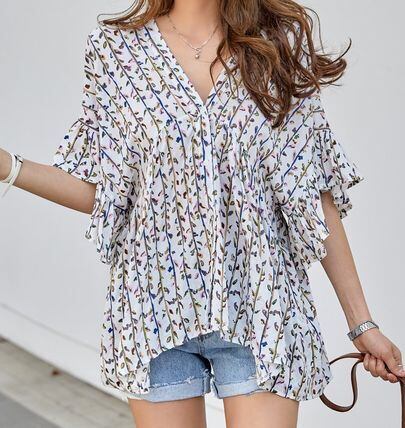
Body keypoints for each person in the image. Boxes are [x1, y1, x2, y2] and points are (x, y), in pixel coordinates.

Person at [1, 1, 404, 427]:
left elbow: (312, 195)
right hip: (152, 312)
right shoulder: (115, 52)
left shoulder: (275, 46)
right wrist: (9, 166)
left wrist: (362, 324)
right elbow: (108, 192)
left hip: (262, 308)